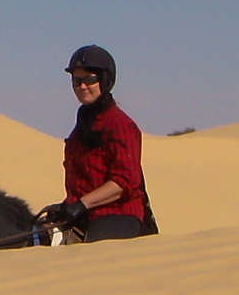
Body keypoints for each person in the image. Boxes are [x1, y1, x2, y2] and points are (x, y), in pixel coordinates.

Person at [39, 44, 158, 242]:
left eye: (89, 79)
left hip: (118, 214)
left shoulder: (120, 125)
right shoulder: (80, 129)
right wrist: (67, 206)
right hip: (84, 214)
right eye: (77, 81)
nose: (82, 86)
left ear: (104, 80)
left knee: (91, 257)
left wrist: (81, 204)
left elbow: (124, 182)